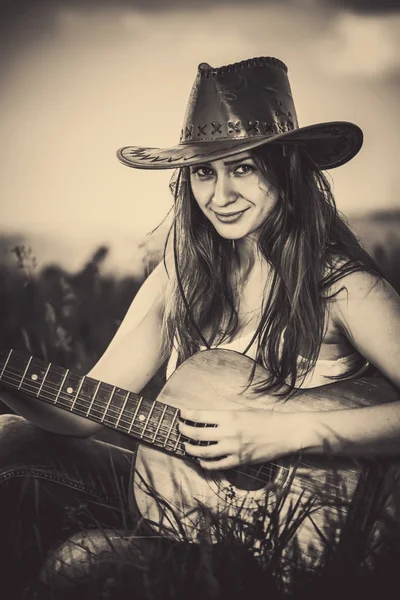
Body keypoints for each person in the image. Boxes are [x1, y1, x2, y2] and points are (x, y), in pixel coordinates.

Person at [1, 55, 400, 597]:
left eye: (243, 167)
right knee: (10, 437)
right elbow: (83, 415)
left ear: (285, 166)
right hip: (185, 503)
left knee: (81, 562)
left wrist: (280, 432)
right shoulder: (179, 280)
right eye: (203, 171)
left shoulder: (340, 284)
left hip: (285, 541)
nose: (220, 195)